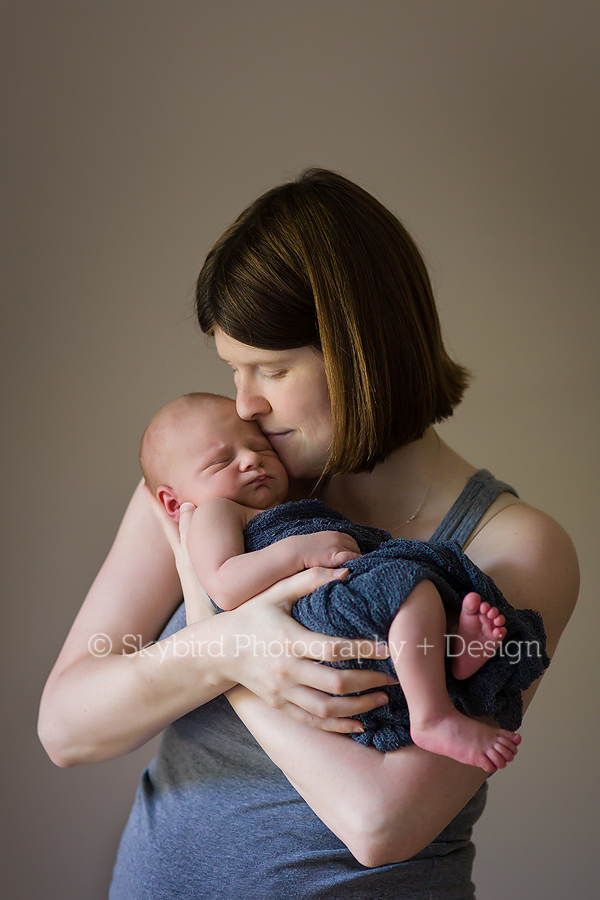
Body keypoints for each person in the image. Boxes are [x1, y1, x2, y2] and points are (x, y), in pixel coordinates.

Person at [38, 168, 579, 899]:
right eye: (233, 370)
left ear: (363, 350)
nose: (246, 405)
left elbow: (382, 822)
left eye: (272, 368)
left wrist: (227, 642)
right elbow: (68, 730)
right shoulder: (214, 484)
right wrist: (225, 645)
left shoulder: (512, 548)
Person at [140, 390, 534, 770]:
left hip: (341, 592)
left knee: (422, 590)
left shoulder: (277, 503)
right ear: (173, 503)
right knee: (408, 589)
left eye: (260, 448)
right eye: (221, 461)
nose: (250, 460)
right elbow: (224, 585)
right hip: (310, 612)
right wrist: (301, 551)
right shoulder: (215, 512)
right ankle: (431, 715)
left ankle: (451, 651)